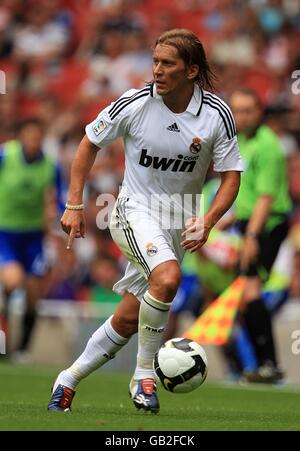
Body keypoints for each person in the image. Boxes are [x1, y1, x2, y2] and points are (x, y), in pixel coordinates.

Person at [47, 28, 243, 413]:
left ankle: (67, 379)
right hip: (132, 211)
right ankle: (144, 377)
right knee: (168, 278)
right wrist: (73, 204)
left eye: (167, 63)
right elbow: (89, 143)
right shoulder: (134, 104)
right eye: (155, 61)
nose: (156, 70)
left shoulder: (216, 115)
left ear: (191, 71)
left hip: (178, 223)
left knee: (130, 315)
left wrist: (209, 220)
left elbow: (231, 176)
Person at [229, 87, 292, 383]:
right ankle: (264, 364)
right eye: (237, 110)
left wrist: (252, 236)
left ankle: (270, 365)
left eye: (247, 110)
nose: (241, 116)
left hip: (267, 225)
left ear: (259, 112)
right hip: (247, 223)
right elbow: (248, 191)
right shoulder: (240, 140)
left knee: (250, 291)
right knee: (243, 298)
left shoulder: (268, 146)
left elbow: (266, 197)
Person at [0, 117, 65, 361]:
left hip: (33, 235)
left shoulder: (50, 166)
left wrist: (54, 210)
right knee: (14, 280)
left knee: (34, 293)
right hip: (5, 232)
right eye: (30, 136)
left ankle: (23, 349)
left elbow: (60, 199)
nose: (34, 141)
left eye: (38, 137)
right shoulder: (6, 156)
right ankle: (4, 335)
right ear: (21, 137)